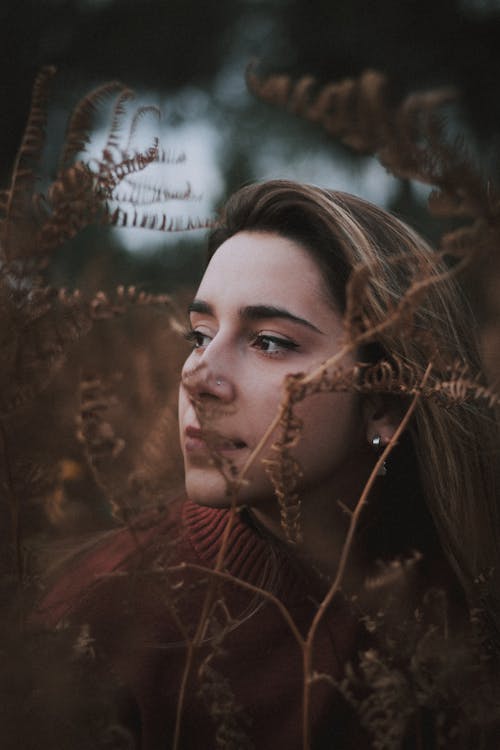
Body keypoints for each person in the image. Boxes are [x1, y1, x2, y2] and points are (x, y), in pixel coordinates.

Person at [36, 179, 500, 749]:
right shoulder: (101, 623)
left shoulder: (473, 589)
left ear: (383, 399)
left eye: (270, 342)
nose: (197, 376)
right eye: (199, 334)